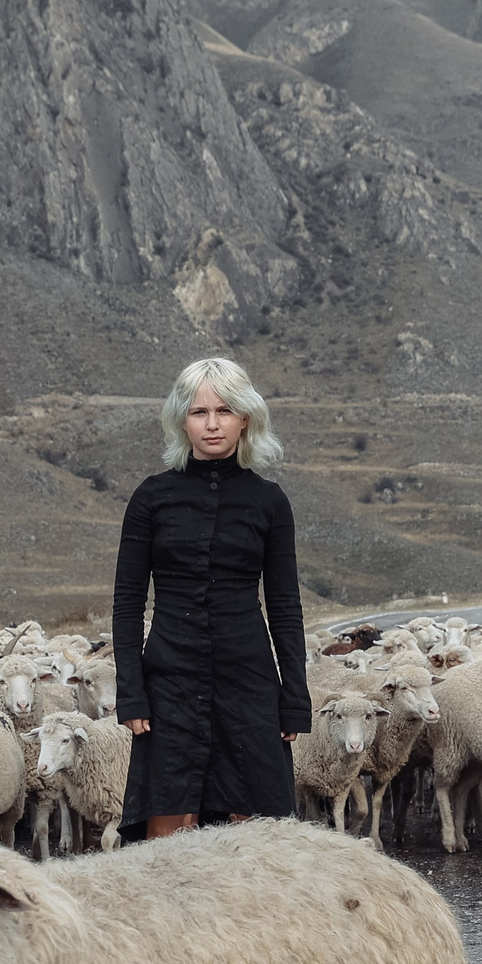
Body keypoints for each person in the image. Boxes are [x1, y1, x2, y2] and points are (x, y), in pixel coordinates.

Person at [113, 357, 310, 841]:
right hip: (169, 684)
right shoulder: (151, 498)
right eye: (199, 412)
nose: (212, 424)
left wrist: (294, 698)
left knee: (256, 837)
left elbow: (285, 606)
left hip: (249, 685)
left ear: (246, 418)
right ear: (182, 420)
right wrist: (132, 693)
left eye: (224, 410)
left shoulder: (269, 501)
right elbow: (128, 603)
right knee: (166, 835)